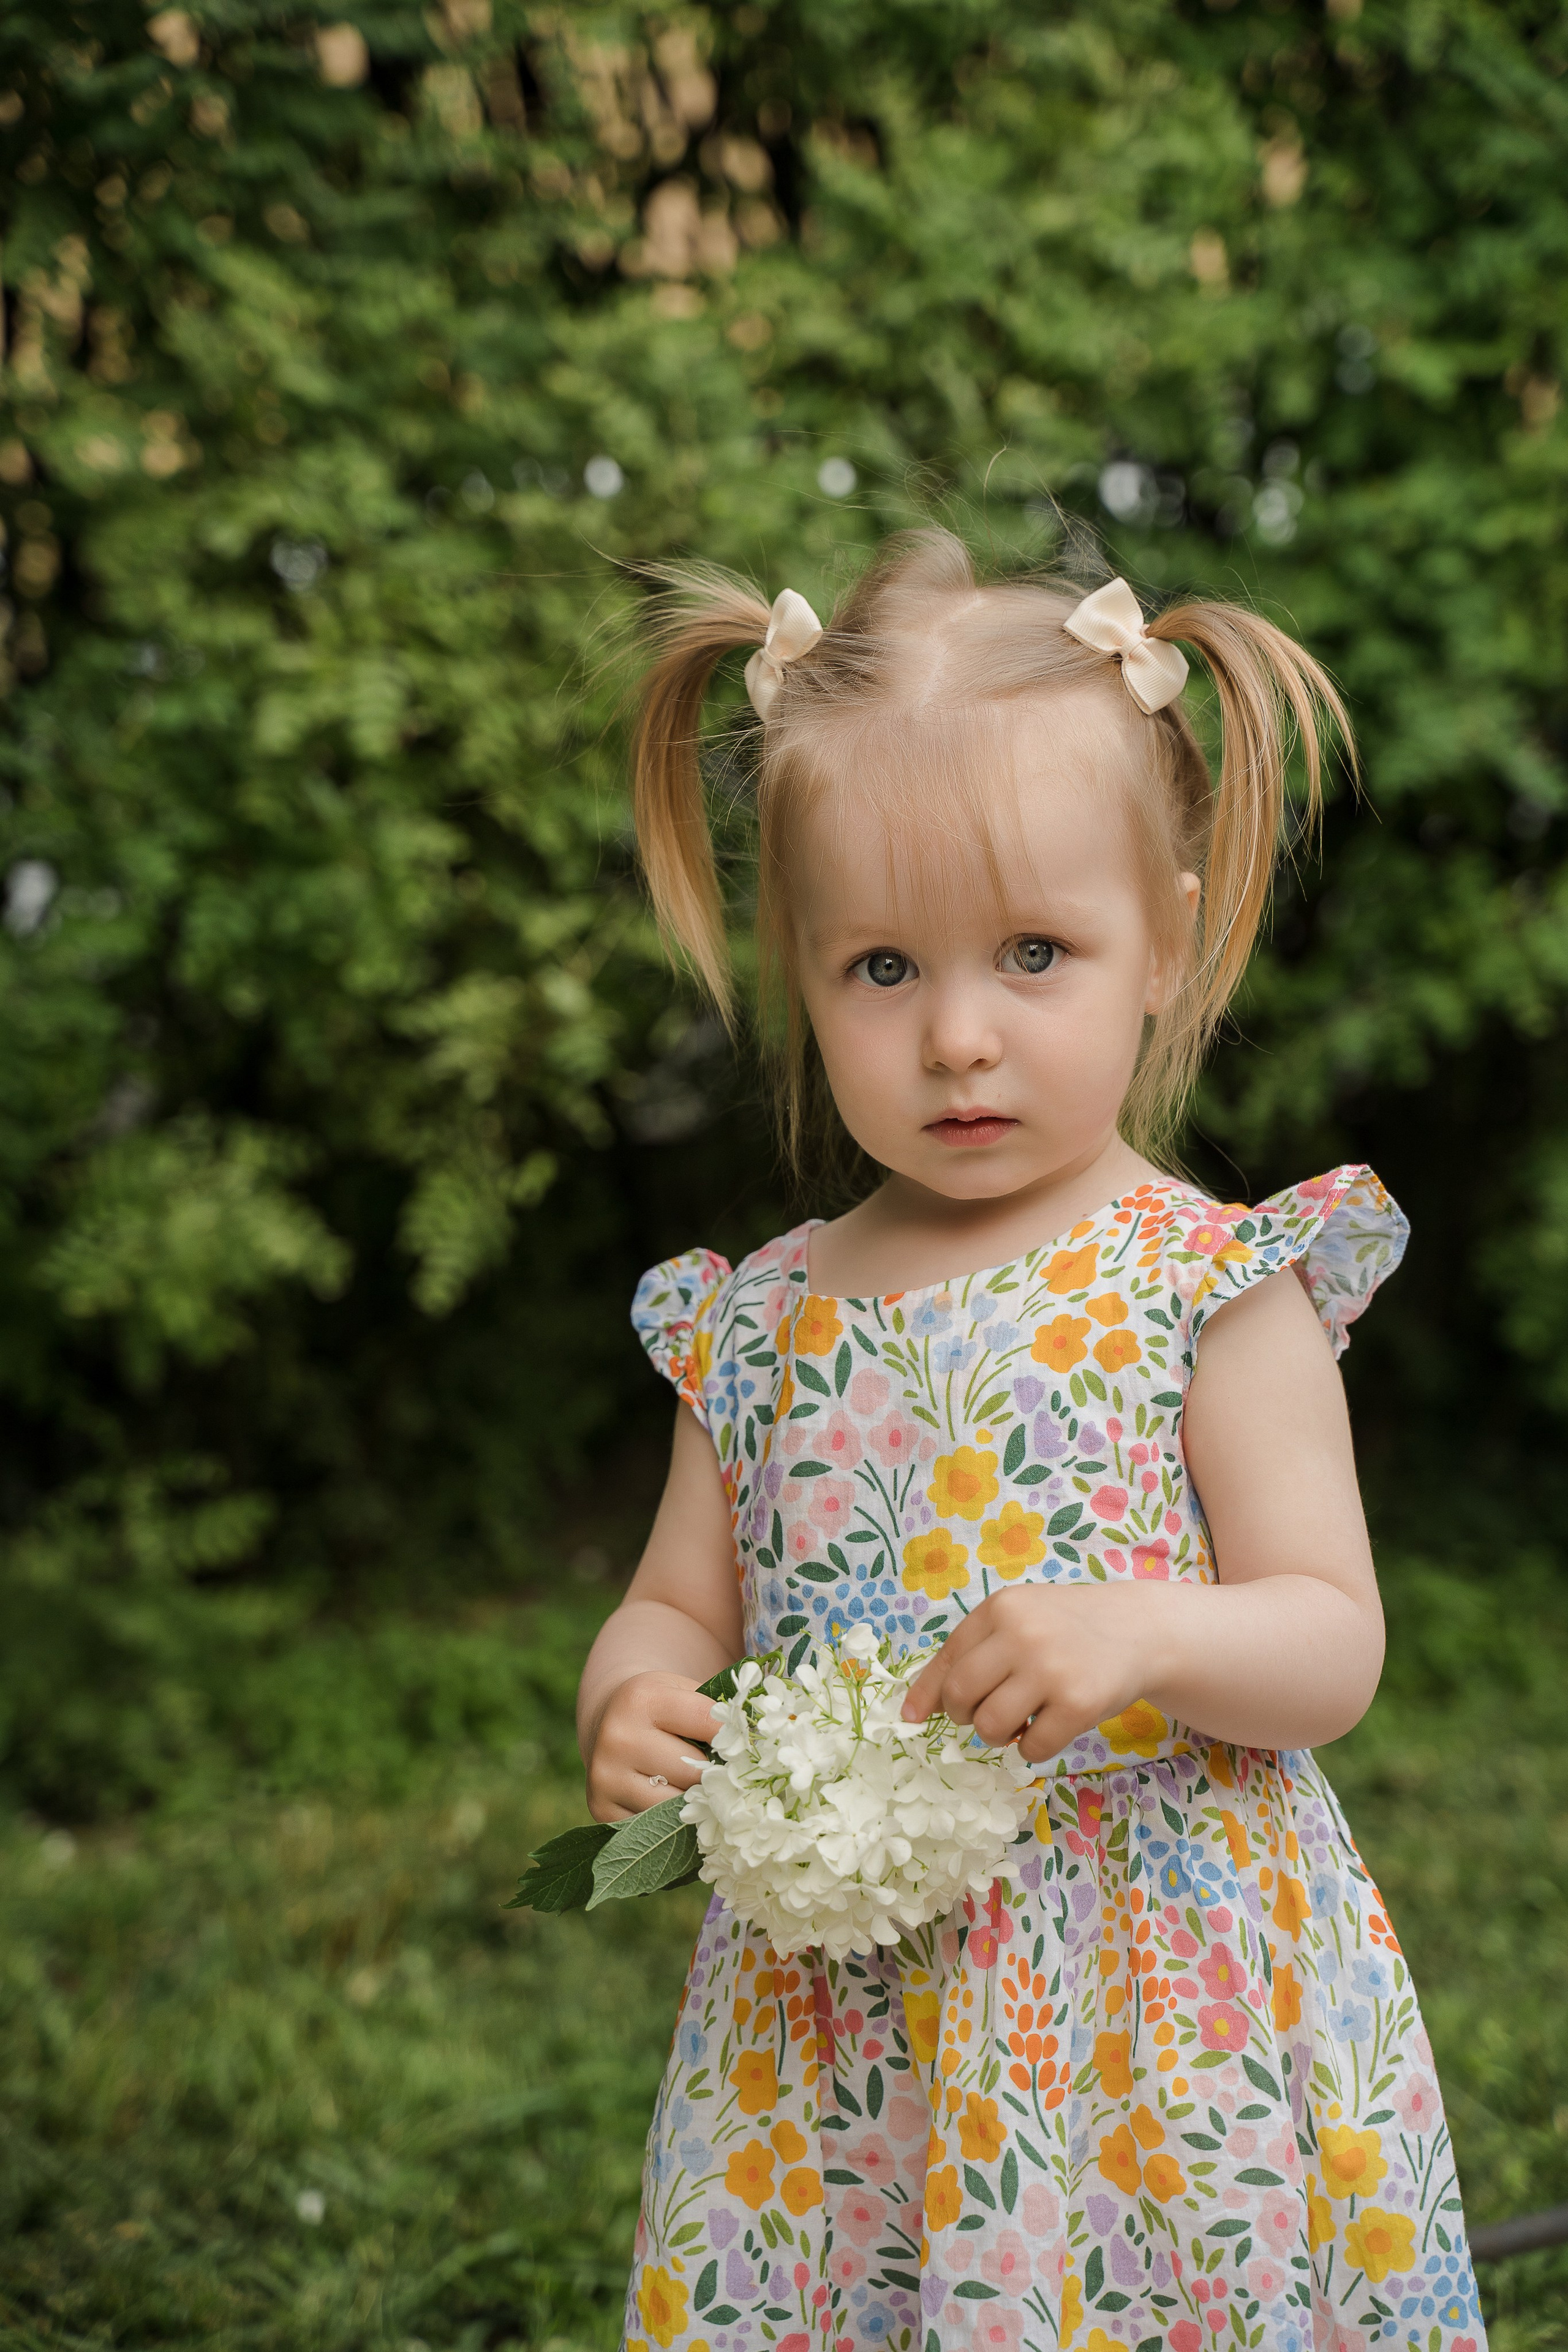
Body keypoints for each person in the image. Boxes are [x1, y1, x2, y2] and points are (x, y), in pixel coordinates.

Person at [576, 530, 1485, 2352]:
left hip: (1155, 2005)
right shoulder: (759, 1323)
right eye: (884, 968)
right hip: (834, 2029)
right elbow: (683, 1605)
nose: (961, 1037)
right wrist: (634, 1695)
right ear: (802, 974)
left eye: (1037, 953)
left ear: (1169, 932)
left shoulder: (1209, 1285)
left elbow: (1331, 1639)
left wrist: (1146, 1630)